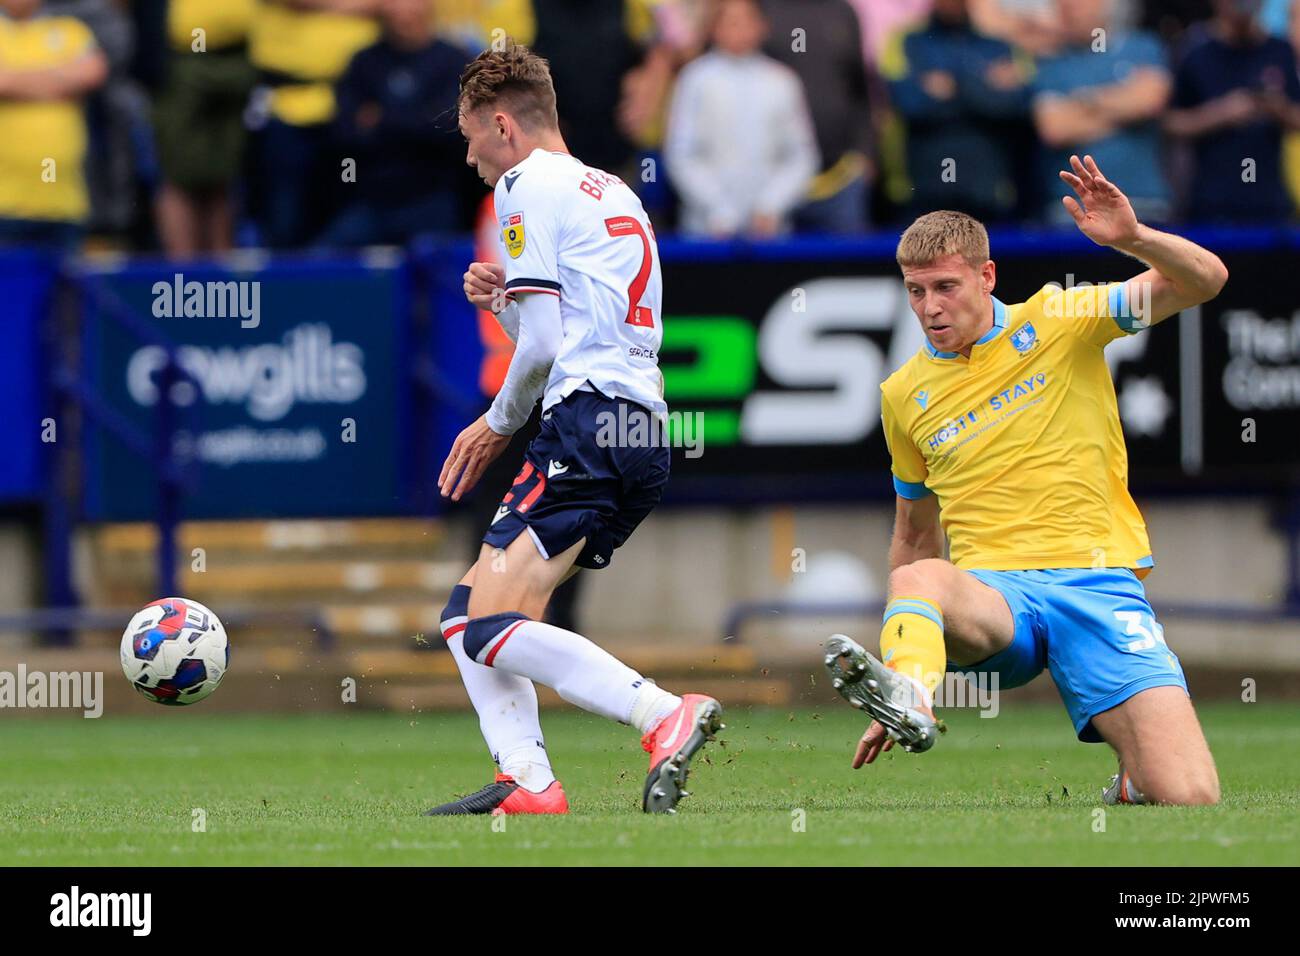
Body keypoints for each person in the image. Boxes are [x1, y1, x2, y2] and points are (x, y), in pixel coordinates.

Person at [826, 155, 1227, 806]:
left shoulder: (1062, 320)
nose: (930, 307)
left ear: (986, 276)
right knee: (917, 577)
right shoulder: (903, 395)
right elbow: (914, 537)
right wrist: (907, 665)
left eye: (946, 287)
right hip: (998, 602)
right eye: (916, 290)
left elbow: (1206, 280)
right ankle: (908, 701)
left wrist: (1133, 239)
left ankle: (1133, 780)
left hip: (1097, 587)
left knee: (1189, 796)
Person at [426, 43, 723, 816]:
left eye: (469, 137)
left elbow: (551, 346)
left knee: (489, 622)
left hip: (585, 420)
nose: (469, 158)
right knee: (470, 616)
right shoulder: (614, 189)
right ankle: (527, 781)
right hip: (638, 426)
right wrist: (505, 300)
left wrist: (495, 424)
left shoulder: (523, 186)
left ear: (502, 124)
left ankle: (662, 714)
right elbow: (577, 316)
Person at [317, 0, 470, 247]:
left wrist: (382, 119)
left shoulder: (453, 61)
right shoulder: (363, 62)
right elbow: (345, 133)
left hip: (432, 199)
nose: (404, 10)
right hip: (371, 200)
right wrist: (419, 119)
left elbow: (451, 129)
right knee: (324, 263)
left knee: (443, 270)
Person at [663, 0, 818, 237]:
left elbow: (801, 156)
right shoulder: (694, 79)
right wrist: (718, 210)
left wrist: (771, 206)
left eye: (747, 21)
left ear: (762, 26)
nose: (739, 30)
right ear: (714, 28)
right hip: (707, 232)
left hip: (770, 232)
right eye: (731, 22)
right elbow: (681, 154)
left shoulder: (782, 81)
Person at [1032, 0, 1173, 224]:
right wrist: (1126, 107)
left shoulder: (1143, 47)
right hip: (1075, 209)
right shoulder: (1051, 62)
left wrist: (1082, 101)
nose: (1068, 8)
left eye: (1077, 3)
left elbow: (1150, 102)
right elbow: (1055, 129)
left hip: (1144, 201)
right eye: (1061, 4)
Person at [1165, 0, 1300, 223]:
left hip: (1269, 201)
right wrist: (1221, 114)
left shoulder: (1279, 50)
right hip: (1210, 200)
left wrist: (1277, 108)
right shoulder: (1194, 50)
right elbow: (1169, 123)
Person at [0, 0, 108, 250]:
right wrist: (60, 80)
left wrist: (18, 80)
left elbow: (93, 72)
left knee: (64, 287)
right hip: (5, 206)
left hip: (65, 205)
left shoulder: (71, 29)